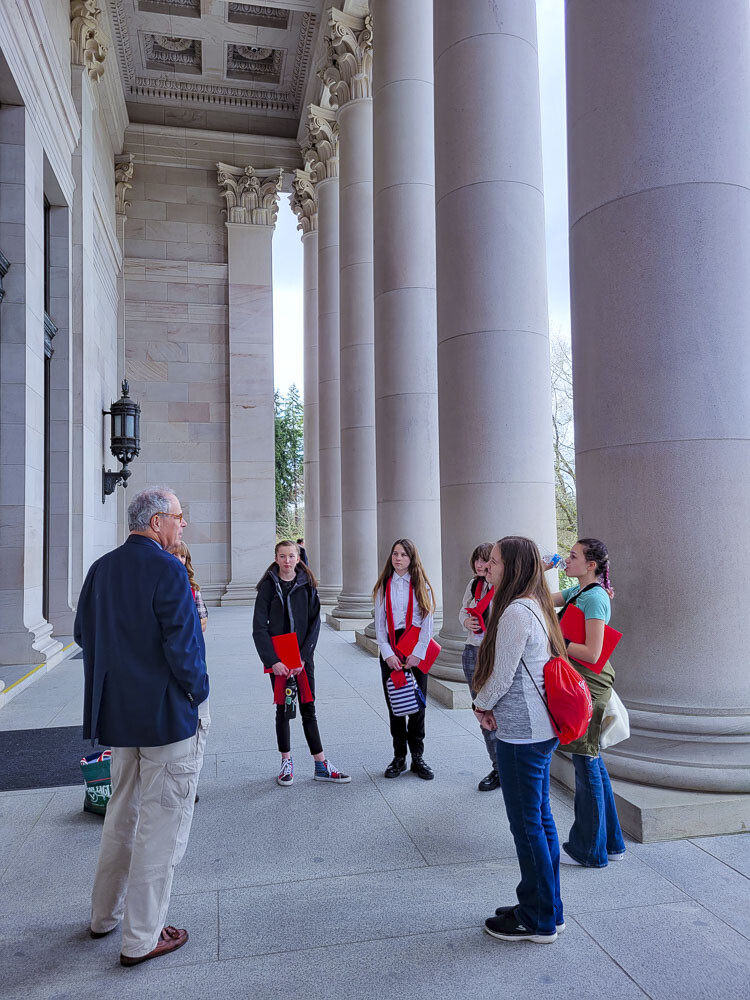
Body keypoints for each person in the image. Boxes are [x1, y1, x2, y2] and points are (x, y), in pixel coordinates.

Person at [74, 487, 209, 967]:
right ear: (156, 523)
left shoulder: (100, 568)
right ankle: (141, 937)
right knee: (161, 827)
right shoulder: (167, 568)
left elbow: (80, 635)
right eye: (177, 516)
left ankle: (103, 917)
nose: (182, 525)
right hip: (167, 717)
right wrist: (200, 694)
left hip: (119, 717)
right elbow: (183, 649)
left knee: (121, 817)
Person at [472, 536, 566, 943]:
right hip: (538, 730)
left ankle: (537, 918)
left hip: (522, 734)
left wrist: (480, 703)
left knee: (528, 826)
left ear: (512, 566)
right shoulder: (535, 604)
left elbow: (502, 674)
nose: (487, 566)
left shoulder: (515, 612)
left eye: (493, 561)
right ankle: (546, 906)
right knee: (540, 821)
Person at [546, 538, 626, 868]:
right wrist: (544, 568)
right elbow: (540, 600)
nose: (568, 559)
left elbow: (592, 652)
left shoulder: (594, 599)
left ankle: (591, 850)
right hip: (581, 684)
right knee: (590, 761)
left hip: (588, 688)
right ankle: (612, 842)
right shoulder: (578, 592)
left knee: (586, 763)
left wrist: (558, 640)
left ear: (590, 565)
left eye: (573, 556)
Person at [253, 540, 350, 786]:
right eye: (282, 556)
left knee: (308, 707)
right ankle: (286, 762)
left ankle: (321, 764)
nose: (287, 561)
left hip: (303, 657)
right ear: (276, 558)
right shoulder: (267, 587)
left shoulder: (307, 585)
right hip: (278, 659)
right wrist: (272, 661)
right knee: (283, 708)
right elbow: (258, 628)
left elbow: (315, 624)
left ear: (298, 558)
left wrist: (304, 657)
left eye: (291, 556)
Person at [373, 538, 436, 780]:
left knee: (417, 705)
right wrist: (387, 654)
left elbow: (427, 624)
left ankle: (417, 757)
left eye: (403, 555)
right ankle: (399, 756)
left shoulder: (422, 586)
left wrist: (417, 654)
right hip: (391, 648)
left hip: (415, 647)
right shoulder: (383, 587)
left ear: (412, 558)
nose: (398, 558)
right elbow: (380, 625)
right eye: (395, 553)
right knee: (396, 704)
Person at [458, 542, 499, 791]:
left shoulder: (503, 588)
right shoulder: (474, 585)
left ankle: (507, 766)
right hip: (472, 651)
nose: (481, 565)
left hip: (494, 654)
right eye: (478, 560)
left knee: (499, 711)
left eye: (487, 561)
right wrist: (466, 622)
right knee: (481, 711)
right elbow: (463, 611)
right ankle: (497, 767)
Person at [170, 541, 208, 633]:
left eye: (183, 556)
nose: (179, 559)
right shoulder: (161, 584)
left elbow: (203, 621)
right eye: (175, 555)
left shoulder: (193, 588)